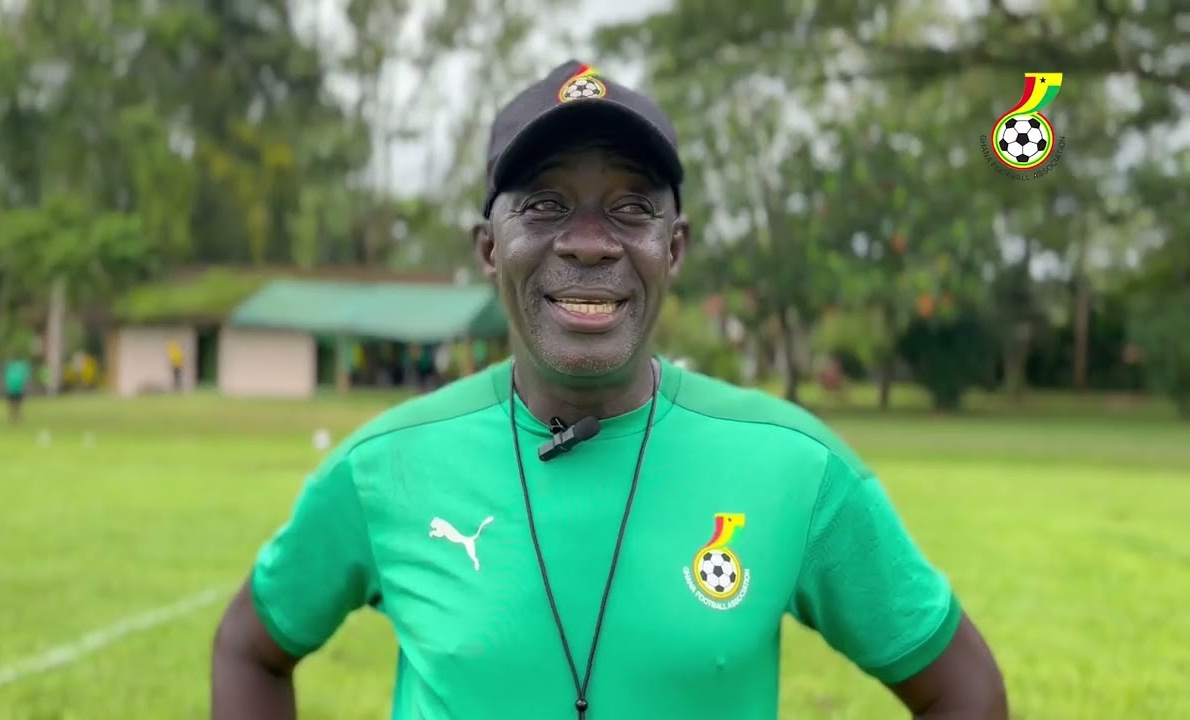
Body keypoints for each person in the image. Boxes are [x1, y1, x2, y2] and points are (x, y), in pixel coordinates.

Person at [210, 61, 1007, 720]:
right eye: (545, 204)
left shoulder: (794, 466)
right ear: (489, 249)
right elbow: (251, 648)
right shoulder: (386, 465)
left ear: (675, 248)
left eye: (631, 208)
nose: (590, 243)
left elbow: (961, 689)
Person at [4, 353, 32, 424]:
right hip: (17, 388)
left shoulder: (10, 366)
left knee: (13, 404)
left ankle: (14, 418)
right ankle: (16, 418)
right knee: (18, 404)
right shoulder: (21, 366)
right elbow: (25, 376)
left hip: (12, 388)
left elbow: (6, 377)